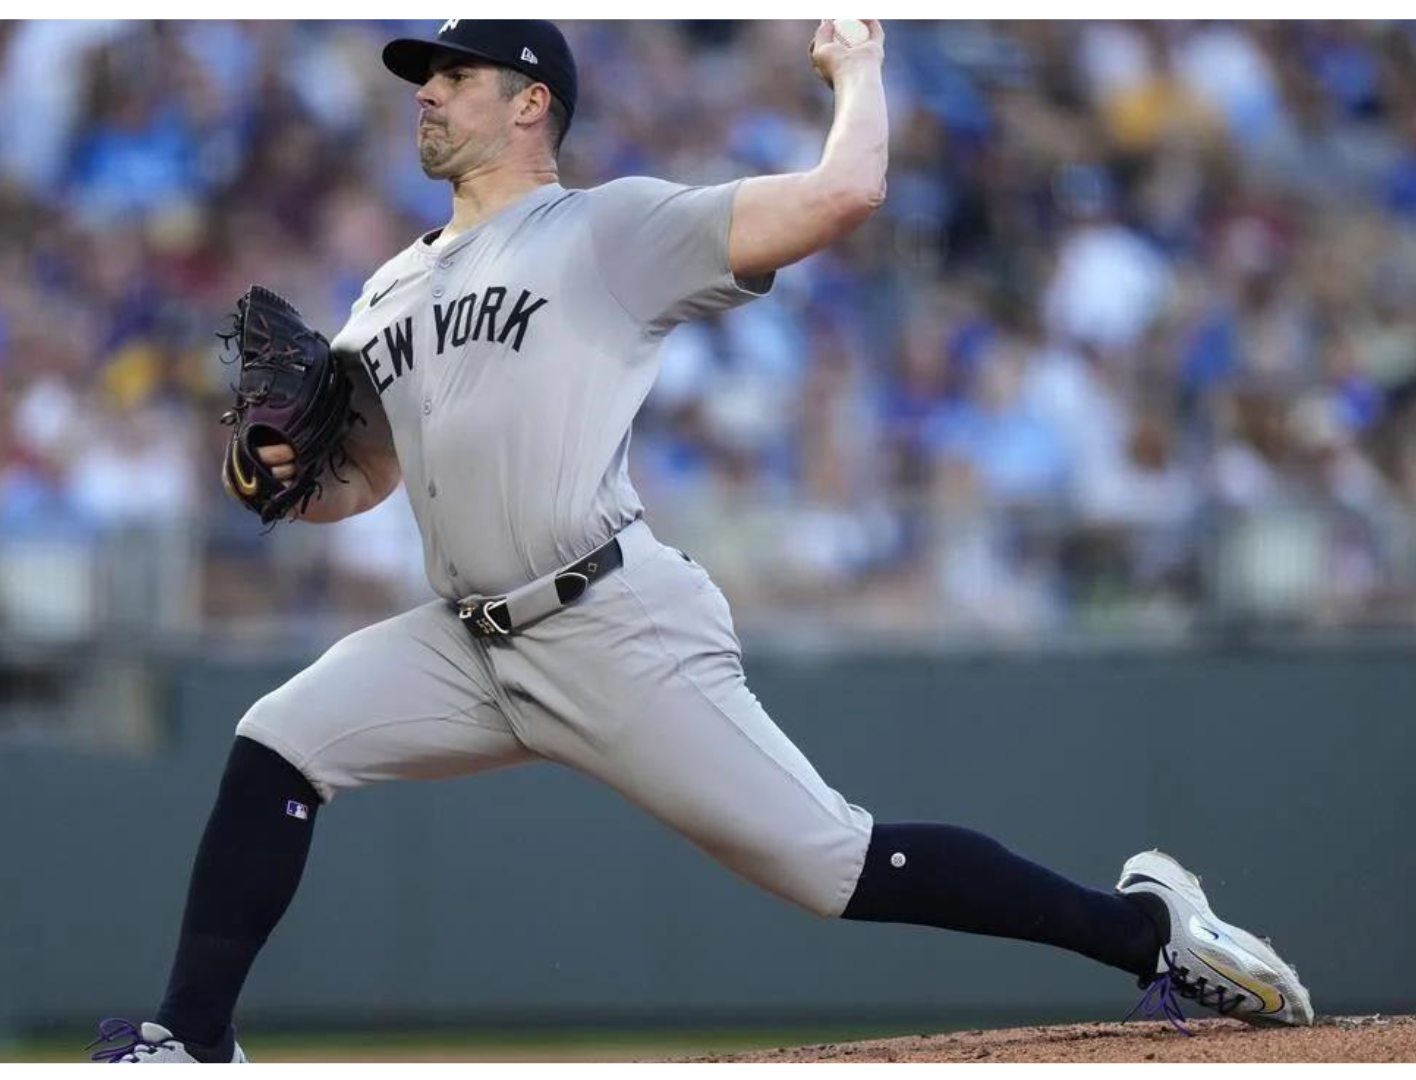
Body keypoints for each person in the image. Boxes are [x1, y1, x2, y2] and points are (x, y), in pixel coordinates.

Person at [88, 21, 1311, 1063]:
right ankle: (191, 1043)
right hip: (464, 642)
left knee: (834, 865)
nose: (429, 89)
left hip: (609, 621)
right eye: (427, 74)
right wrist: (286, 472)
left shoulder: (607, 230)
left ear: (531, 104)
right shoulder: (385, 291)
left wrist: (860, 74)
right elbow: (359, 482)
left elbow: (845, 197)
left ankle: (1145, 930)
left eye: (456, 75)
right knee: (277, 743)